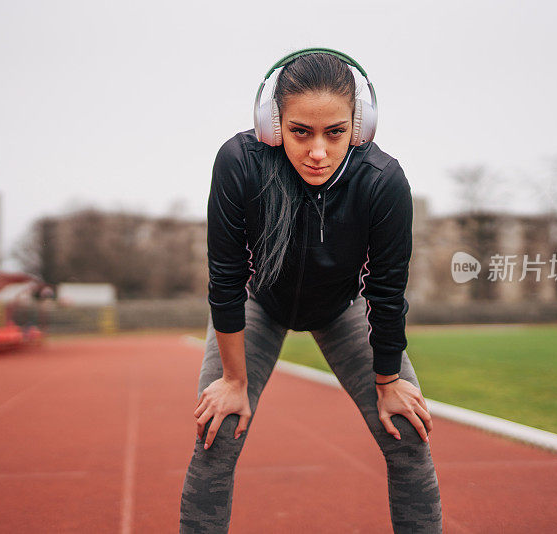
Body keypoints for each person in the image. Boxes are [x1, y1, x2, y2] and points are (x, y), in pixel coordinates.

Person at [180, 48, 442, 533]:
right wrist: (234, 382)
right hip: (259, 302)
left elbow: (387, 291)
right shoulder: (240, 163)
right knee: (217, 432)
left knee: (407, 434)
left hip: (342, 308)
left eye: (335, 132)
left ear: (359, 127)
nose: (317, 151)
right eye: (300, 132)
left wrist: (388, 382)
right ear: (272, 125)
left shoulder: (382, 181)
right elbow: (226, 278)